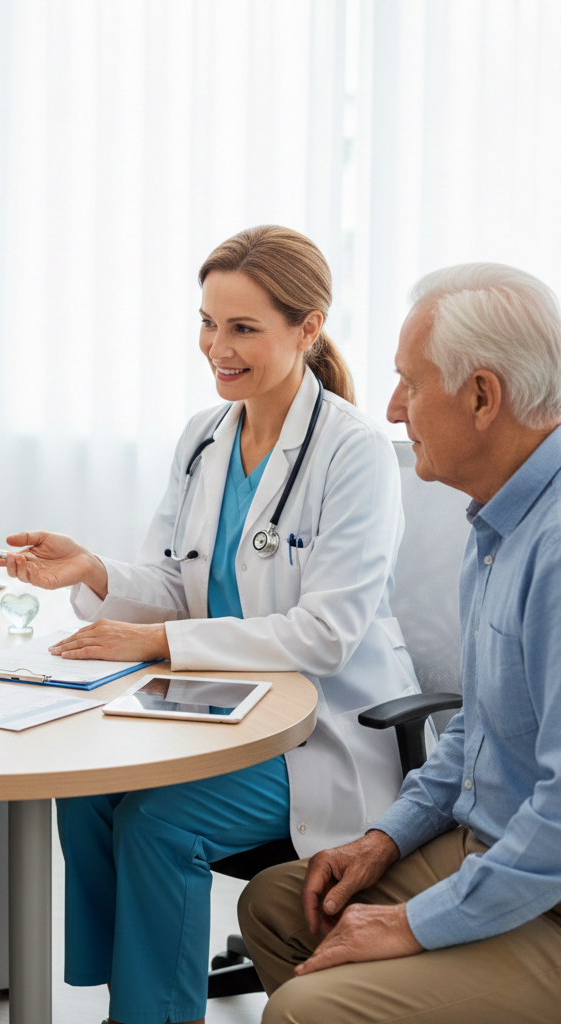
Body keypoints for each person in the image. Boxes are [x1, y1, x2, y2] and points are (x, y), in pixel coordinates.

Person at [0, 225, 419, 1024]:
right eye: (208, 323)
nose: (217, 348)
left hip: (315, 730)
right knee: (82, 791)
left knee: (158, 822)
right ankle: (129, 994)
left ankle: (150, 1013)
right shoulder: (205, 437)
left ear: (308, 328)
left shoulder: (353, 451)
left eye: (243, 328)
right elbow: (176, 582)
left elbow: (325, 634)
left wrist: (157, 642)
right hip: (215, 703)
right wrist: (93, 571)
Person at [238, 262, 561, 1024]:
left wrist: (413, 923)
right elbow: (477, 730)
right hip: (488, 845)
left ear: (482, 396)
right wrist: (385, 838)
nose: (390, 408)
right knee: (280, 906)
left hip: (545, 892)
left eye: (410, 384)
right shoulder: (498, 523)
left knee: (303, 1010)